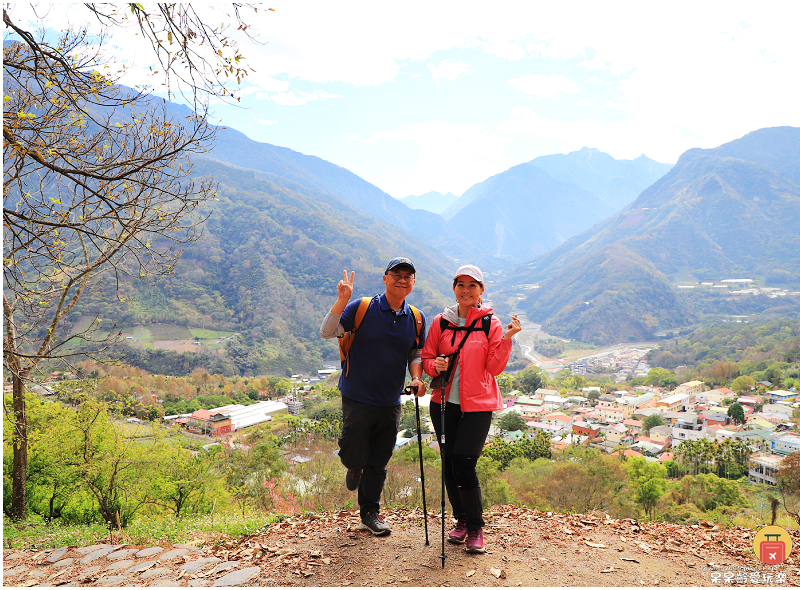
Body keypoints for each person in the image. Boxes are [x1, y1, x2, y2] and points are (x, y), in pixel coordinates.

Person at [320, 257, 427, 536]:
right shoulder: (362, 308)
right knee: (355, 453)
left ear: (413, 282)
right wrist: (343, 300)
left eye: (408, 276)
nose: (402, 279)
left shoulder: (415, 318)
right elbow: (327, 332)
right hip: (357, 395)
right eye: (396, 274)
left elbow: (415, 353)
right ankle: (354, 466)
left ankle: (370, 513)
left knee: (379, 460)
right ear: (384, 278)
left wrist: (416, 377)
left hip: (390, 400)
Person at [421, 264, 522, 553]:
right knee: (449, 466)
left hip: (478, 405)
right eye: (461, 285)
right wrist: (434, 365)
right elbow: (428, 358)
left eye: (472, 285)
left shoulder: (492, 324)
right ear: (454, 288)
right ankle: (461, 521)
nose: (466, 290)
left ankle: (476, 527)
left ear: (481, 290)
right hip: (443, 403)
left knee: (464, 464)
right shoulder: (441, 322)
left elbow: (494, 367)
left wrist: (506, 340)